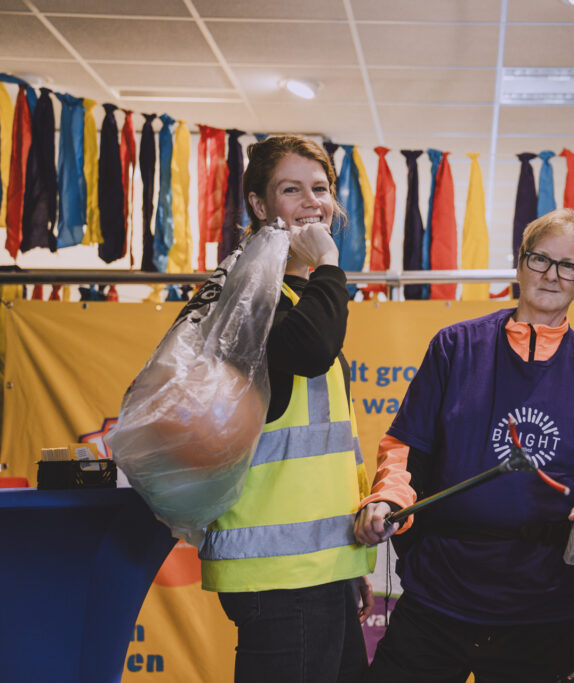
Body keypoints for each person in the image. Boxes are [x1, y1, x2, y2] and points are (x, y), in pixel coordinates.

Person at [353, 208, 574, 683]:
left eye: (568, 266)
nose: (551, 274)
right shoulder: (454, 348)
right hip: (439, 595)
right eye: (540, 259)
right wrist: (387, 500)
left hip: (545, 609)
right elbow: (404, 448)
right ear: (519, 263)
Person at [196, 136, 376, 682]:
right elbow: (310, 351)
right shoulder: (249, 293)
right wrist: (328, 264)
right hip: (277, 575)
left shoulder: (296, 296)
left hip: (320, 567)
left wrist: (345, 562)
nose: (311, 202)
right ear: (258, 205)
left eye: (320, 188)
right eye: (291, 189)